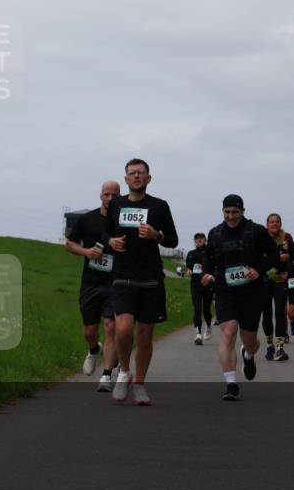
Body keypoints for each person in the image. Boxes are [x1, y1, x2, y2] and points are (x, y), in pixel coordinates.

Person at [103, 159, 179, 406]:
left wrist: (156, 235)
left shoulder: (159, 206)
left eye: (141, 173)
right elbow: (104, 233)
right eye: (132, 173)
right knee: (123, 329)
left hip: (151, 280)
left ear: (149, 178)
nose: (136, 176)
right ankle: (124, 371)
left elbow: (173, 240)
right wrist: (110, 242)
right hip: (123, 277)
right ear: (126, 179)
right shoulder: (116, 204)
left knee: (145, 336)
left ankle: (140, 385)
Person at [201, 195, 279, 401]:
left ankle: (249, 355)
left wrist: (258, 269)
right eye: (227, 212)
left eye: (235, 212)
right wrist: (207, 275)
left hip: (252, 293)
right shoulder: (215, 233)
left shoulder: (257, 231)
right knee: (228, 332)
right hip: (226, 291)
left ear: (243, 211)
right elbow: (207, 259)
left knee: (251, 341)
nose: (231, 216)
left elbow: (274, 255)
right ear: (223, 212)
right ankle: (231, 384)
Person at [65, 180, 122, 391]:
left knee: (111, 326)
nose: (110, 198)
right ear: (100, 196)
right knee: (90, 330)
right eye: (106, 194)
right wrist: (87, 252)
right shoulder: (87, 219)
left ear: (119, 196)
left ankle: (106, 376)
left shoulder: (123, 221)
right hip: (91, 283)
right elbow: (69, 244)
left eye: (114, 195)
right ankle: (93, 349)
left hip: (116, 283)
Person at [260, 213, 294, 361]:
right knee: (266, 315)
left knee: (279, 313)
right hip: (264, 280)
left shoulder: (287, 237)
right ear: (267, 224)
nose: (275, 224)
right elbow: (258, 258)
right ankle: (269, 345)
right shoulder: (262, 237)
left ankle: (279, 348)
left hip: (280, 281)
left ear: (281, 224)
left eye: (277, 222)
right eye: (272, 222)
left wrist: (288, 258)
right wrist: (276, 258)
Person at [185, 232, 215, 345]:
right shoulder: (191, 253)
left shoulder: (210, 252)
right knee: (197, 308)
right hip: (195, 284)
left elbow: (214, 265)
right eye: (197, 239)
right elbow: (188, 266)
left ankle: (208, 326)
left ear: (205, 240)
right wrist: (188, 270)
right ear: (195, 241)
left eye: (201, 238)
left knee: (206, 310)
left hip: (207, 284)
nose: (199, 240)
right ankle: (198, 333)